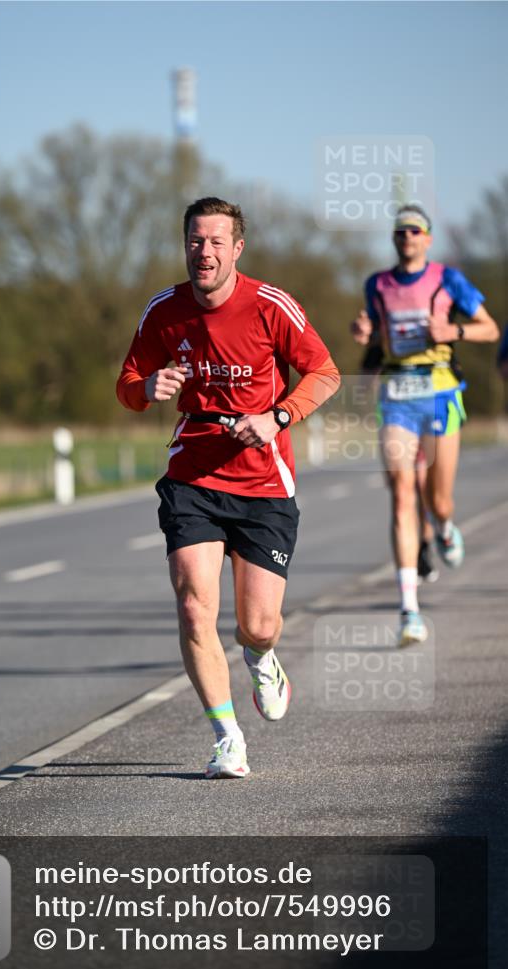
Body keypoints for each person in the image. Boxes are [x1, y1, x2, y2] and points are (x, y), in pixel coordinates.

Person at [117, 196, 340, 778]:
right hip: (193, 475)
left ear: (237, 248)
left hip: (265, 479)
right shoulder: (164, 310)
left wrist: (278, 417)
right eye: (195, 240)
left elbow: (326, 373)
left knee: (257, 624)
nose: (204, 252)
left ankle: (262, 657)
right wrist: (149, 387)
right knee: (194, 607)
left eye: (216, 242)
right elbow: (128, 383)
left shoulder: (270, 306)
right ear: (184, 244)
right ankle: (227, 738)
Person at [351, 204, 499, 646]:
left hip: (440, 393)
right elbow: (377, 333)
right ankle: (409, 611)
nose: (407, 238)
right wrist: (364, 331)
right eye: (400, 232)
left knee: (439, 502)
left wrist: (452, 332)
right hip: (397, 394)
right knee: (401, 493)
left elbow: (489, 329)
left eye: (415, 231)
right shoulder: (376, 284)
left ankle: (447, 529)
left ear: (428, 239)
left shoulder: (448, 279)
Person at [359, 339, 438, 583]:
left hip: (421, 422)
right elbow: (364, 383)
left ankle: (424, 544)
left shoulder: (425, 340)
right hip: (392, 422)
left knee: (423, 487)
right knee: (401, 491)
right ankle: (411, 554)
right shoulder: (379, 344)